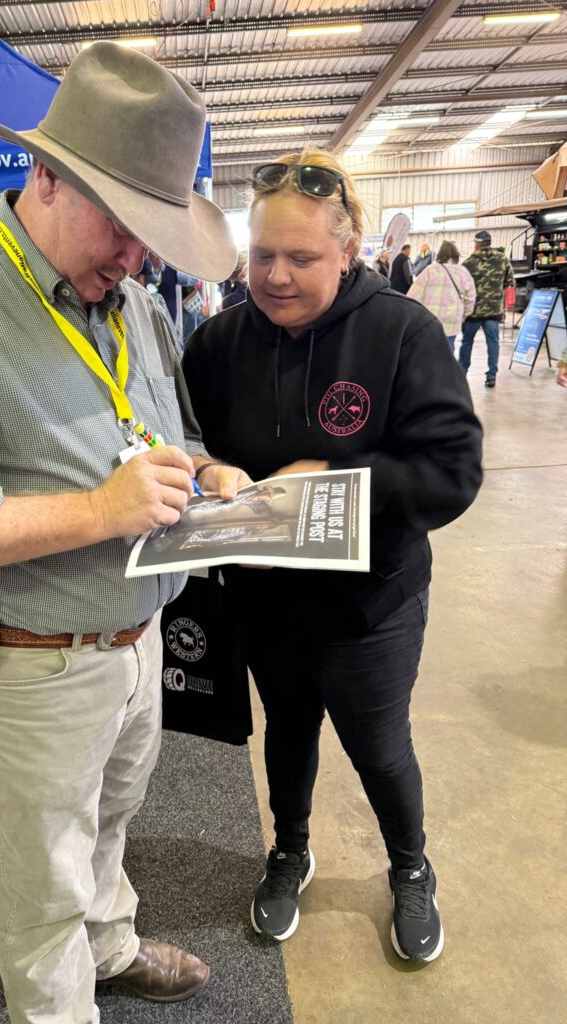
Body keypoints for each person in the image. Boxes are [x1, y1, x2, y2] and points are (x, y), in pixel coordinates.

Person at [0, 42, 245, 1024]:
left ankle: (108, 948)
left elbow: (162, 428)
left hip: (135, 641)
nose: (138, 256)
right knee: (41, 882)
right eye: (123, 225)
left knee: (108, 825)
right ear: (45, 177)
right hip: (33, 665)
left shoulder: (137, 301)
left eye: (155, 233)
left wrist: (201, 468)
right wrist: (101, 511)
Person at [182, 149, 482, 965]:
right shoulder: (214, 345)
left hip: (369, 609)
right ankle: (290, 849)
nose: (275, 276)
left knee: (379, 746)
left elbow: (453, 470)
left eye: (301, 258)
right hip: (267, 606)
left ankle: (410, 866)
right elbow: (182, 444)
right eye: (261, 255)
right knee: (287, 733)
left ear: (347, 252)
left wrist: (335, 482)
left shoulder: (401, 333)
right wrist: (209, 471)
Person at [460, 229, 515, 387]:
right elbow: (509, 281)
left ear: (477, 244)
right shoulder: (502, 259)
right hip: (494, 310)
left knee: (467, 342)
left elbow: (462, 286)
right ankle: (491, 376)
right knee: (493, 343)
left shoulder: (469, 262)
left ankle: (462, 373)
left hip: (474, 312)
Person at [408, 240, 476, 351]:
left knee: (427, 353)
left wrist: (415, 317)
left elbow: (413, 295)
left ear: (440, 254)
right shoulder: (463, 272)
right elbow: (471, 298)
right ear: (455, 255)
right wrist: (463, 314)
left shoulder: (430, 270)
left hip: (430, 321)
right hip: (452, 321)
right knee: (448, 353)